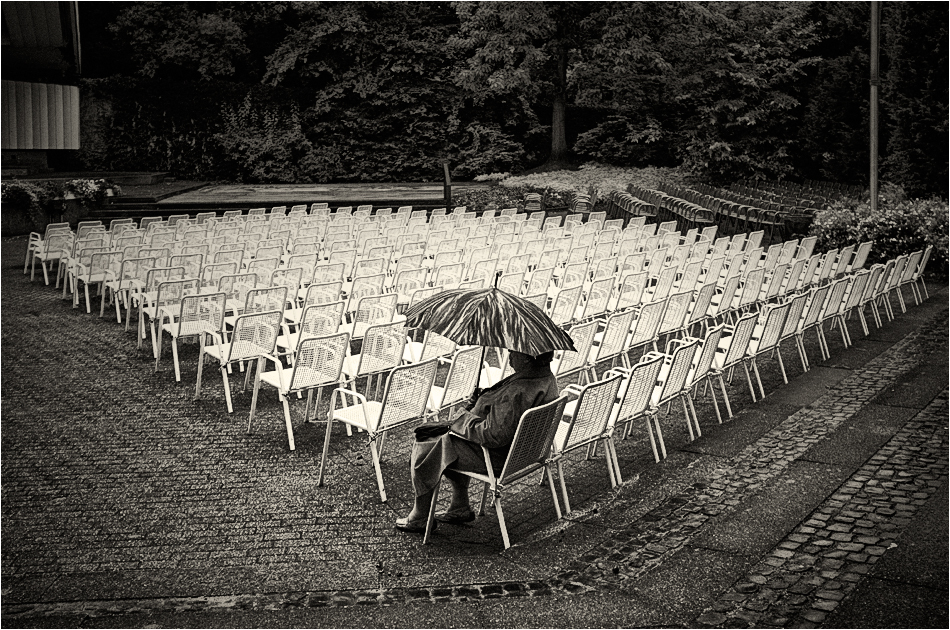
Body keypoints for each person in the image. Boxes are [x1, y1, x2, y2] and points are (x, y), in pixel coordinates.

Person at [395, 350, 559, 532]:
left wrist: (465, 417)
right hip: (524, 453)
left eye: (513, 352)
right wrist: (481, 402)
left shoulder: (517, 390)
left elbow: (493, 435)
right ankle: (459, 505)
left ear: (528, 359)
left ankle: (420, 516)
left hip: (497, 458)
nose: (509, 356)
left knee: (427, 443)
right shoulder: (547, 380)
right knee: (447, 441)